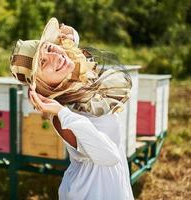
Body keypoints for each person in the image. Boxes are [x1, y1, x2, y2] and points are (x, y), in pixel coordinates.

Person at [10, 18, 134, 200]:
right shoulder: (61, 114)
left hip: (114, 185)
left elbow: (79, 58)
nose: (55, 57)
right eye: (43, 63)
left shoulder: (77, 84)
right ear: (42, 84)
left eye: (50, 48)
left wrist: (72, 37)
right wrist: (62, 112)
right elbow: (109, 156)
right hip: (90, 193)